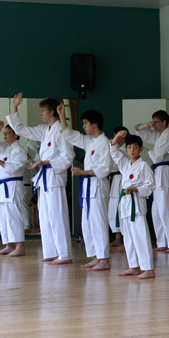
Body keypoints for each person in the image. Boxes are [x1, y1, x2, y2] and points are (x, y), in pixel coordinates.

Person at [6, 93, 74, 264]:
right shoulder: (44, 130)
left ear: (52, 112)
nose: (40, 114)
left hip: (54, 177)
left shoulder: (61, 130)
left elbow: (68, 157)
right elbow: (21, 129)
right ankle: (51, 251)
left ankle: (64, 254)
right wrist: (14, 107)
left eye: (43, 110)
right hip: (43, 179)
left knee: (57, 216)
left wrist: (45, 161)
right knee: (45, 216)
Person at [60, 106, 113, 271]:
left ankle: (104, 258)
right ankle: (96, 256)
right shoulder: (89, 141)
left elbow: (105, 169)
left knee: (98, 222)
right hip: (88, 186)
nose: (83, 126)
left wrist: (82, 172)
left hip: (98, 185)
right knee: (87, 223)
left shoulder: (105, 143)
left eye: (85, 123)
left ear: (94, 124)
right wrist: (62, 115)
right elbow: (69, 135)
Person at [110, 131, 156, 279]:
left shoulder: (144, 166)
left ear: (141, 149)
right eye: (129, 147)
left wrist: (135, 189)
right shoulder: (124, 164)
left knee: (140, 236)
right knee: (128, 237)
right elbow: (113, 151)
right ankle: (133, 266)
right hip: (125, 204)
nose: (132, 150)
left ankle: (148, 269)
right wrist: (117, 138)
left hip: (136, 203)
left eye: (135, 147)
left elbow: (151, 186)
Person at [135, 110, 169, 252]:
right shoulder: (159, 135)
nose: (154, 125)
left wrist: (145, 149)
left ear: (164, 122)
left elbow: (157, 157)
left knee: (166, 210)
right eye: (153, 122)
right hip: (157, 174)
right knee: (156, 212)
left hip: (164, 173)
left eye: (156, 122)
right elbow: (139, 132)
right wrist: (145, 125)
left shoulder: (168, 135)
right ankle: (162, 242)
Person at [0, 121, 28, 257]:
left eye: (7, 133)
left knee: (13, 214)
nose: (4, 135)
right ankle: (9, 245)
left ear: (16, 135)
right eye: (3, 133)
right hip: (2, 186)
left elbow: (13, 168)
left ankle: (19, 246)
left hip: (13, 185)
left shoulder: (20, 150)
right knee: (2, 216)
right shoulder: (5, 147)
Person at [107, 126, 128, 249]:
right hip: (114, 180)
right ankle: (117, 237)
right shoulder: (114, 148)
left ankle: (126, 238)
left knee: (122, 209)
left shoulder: (127, 148)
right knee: (113, 210)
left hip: (122, 179)